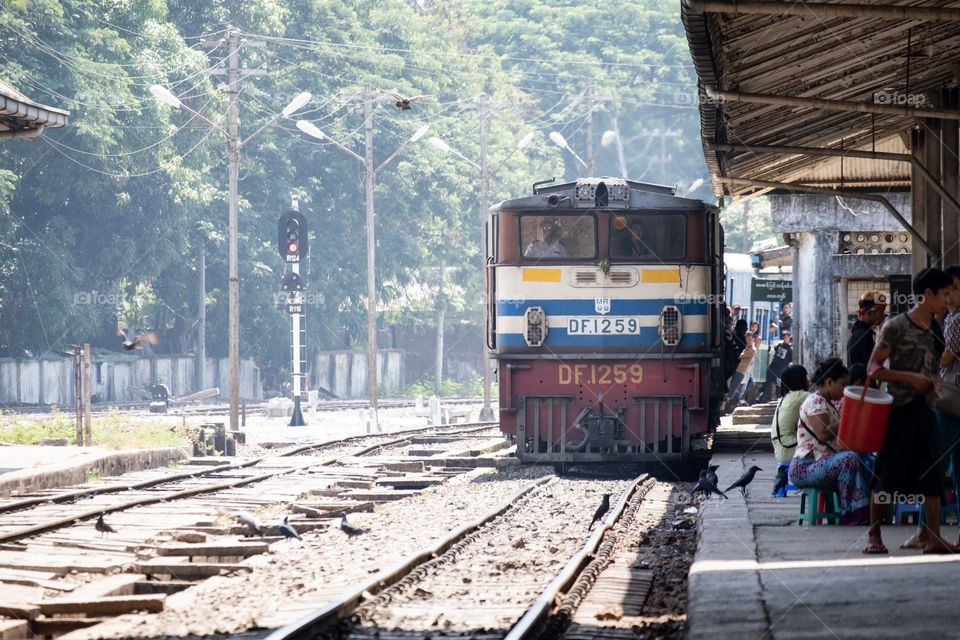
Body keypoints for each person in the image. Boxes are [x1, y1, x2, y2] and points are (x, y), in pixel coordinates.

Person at [866, 267, 957, 554]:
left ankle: (932, 537)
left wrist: (933, 386)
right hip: (899, 410)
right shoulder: (896, 326)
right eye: (944, 294)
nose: (948, 300)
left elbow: (934, 371)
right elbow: (874, 369)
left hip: (926, 410)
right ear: (927, 294)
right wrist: (909, 378)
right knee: (887, 475)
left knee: (931, 476)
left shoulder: (938, 328)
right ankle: (874, 536)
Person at [788, 358, 872, 525]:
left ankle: (862, 512)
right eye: (842, 384)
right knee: (849, 459)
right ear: (829, 382)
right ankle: (851, 512)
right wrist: (847, 419)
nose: (845, 390)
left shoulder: (829, 405)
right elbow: (823, 434)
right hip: (806, 466)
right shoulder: (815, 401)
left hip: (822, 463)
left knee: (866, 459)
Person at [770, 364, 809, 464]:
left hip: (780, 452)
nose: (808, 381)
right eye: (806, 377)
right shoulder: (802, 396)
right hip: (791, 451)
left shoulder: (785, 398)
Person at [847, 291, 887, 371]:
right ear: (872, 312)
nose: (883, 315)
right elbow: (872, 369)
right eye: (881, 312)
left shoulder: (857, 333)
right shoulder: (864, 336)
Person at [726, 331, 756, 411]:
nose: (748, 341)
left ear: (753, 339)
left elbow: (741, 356)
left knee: (734, 388)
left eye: (750, 339)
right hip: (739, 369)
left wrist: (742, 354)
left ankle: (726, 406)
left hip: (741, 371)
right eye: (747, 339)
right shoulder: (747, 348)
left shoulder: (752, 349)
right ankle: (729, 405)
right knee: (733, 387)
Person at [762, 331, 793, 402]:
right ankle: (762, 398)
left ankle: (778, 399)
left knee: (778, 385)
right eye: (784, 337)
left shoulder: (790, 350)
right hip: (772, 367)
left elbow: (790, 361)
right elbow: (773, 352)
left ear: (789, 338)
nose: (785, 339)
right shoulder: (779, 345)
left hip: (780, 370)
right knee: (768, 383)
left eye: (786, 337)